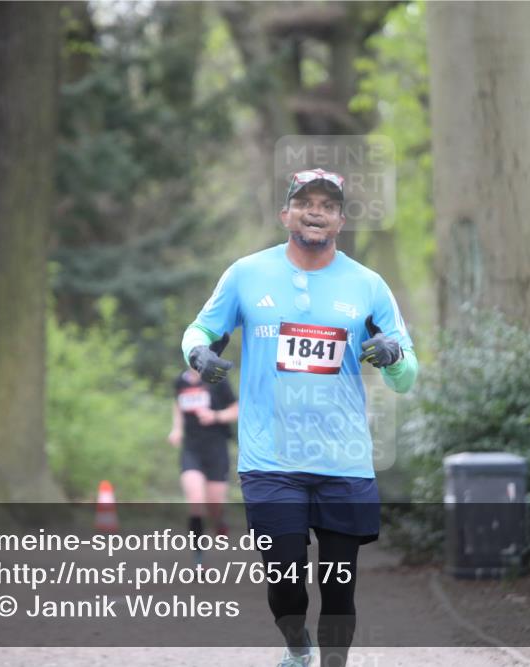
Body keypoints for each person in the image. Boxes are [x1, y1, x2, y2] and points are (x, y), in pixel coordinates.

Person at [182, 168, 417, 667]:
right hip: (271, 461)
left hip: (344, 462)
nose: (316, 211)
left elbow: (406, 376)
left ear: (340, 220)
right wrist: (198, 354)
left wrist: (395, 356)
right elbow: (199, 329)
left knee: (339, 588)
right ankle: (296, 647)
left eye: (328, 205)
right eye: (305, 202)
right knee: (285, 582)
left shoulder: (368, 285)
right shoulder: (246, 274)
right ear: (284, 213)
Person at [168, 366, 238, 551]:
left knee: (214, 505)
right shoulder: (180, 381)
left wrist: (215, 416)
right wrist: (176, 429)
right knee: (196, 501)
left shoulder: (218, 380)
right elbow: (177, 405)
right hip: (191, 449)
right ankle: (199, 559)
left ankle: (219, 521)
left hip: (216, 448)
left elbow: (236, 409)